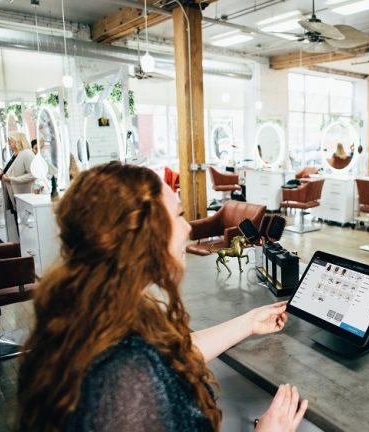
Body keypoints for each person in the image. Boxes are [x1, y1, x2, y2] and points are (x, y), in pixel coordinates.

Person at [16, 162, 307, 431]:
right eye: (179, 215)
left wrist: (248, 322)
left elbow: (169, 355)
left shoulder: (95, 309)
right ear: (143, 235)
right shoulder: (125, 381)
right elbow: (146, 367)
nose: (188, 228)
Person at [0, 131, 35, 213]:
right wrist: (2, 175)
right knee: (17, 220)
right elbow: (10, 171)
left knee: (22, 222)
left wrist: (11, 179)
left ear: (18, 141)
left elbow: (33, 175)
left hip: (23, 195)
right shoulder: (15, 154)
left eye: (10, 141)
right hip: (13, 193)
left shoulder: (27, 154)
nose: (8, 143)